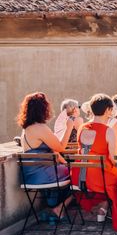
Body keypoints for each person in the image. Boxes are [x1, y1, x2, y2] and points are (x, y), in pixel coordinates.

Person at [73, 94, 117, 232]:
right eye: (111, 110)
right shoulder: (108, 131)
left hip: (81, 177)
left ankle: (103, 208)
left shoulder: (82, 127)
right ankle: (116, 214)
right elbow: (113, 159)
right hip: (100, 178)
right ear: (107, 110)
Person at [17, 92, 78, 220]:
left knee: (70, 170)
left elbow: (53, 149)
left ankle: (53, 206)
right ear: (43, 109)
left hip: (30, 175)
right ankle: (58, 208)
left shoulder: (27, 129)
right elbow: (61, 147)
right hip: (43, 174)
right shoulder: (41, 128)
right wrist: (69, 127)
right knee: (78, 174)